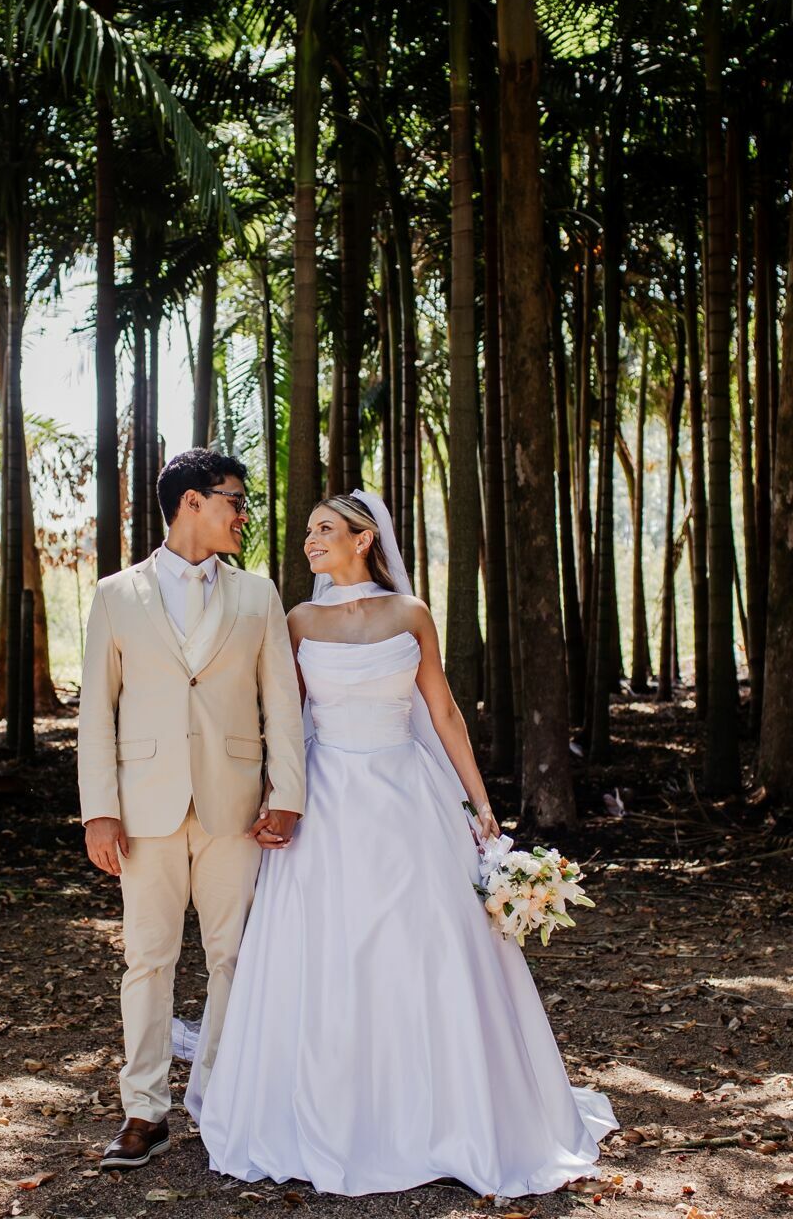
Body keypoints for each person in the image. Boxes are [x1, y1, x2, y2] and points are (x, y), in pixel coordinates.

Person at [190, 489, 619, 1197]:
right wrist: (278, 796)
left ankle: (446, 1113)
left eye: (324, 529)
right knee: (328, 945)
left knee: (426, 943)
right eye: (307, 532)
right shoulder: (296, 620)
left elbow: (443, 710)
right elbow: (287, 719)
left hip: (406, 793)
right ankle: (333, 1111)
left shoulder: (410, 615)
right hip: (327, 801)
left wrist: (479, 802)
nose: (310, 541)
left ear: (365, 539)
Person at [76, 449, 307, 1170]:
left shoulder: (258, 596)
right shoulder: (117, 595)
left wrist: (288, 796)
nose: (244, 515)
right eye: (234, 501)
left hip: (234, 806)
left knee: (234, 956)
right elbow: (96, 712)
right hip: (143, 808)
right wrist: (98, 811)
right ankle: (144, 1112)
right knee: (147, 960)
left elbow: (282, 705)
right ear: (190, 504)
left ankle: (216, 1101)